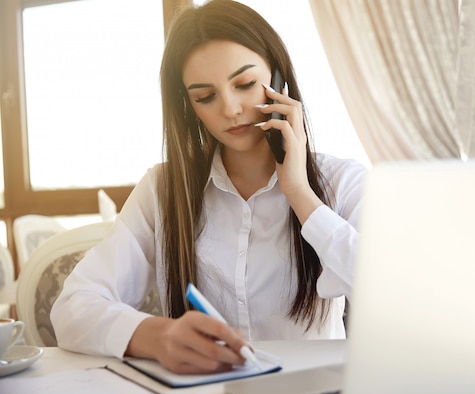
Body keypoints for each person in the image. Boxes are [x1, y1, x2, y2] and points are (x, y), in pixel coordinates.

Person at [51, 0, 367, 374]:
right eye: (205, 96)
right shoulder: (164, 190)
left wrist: (300, 194)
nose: (230, 108)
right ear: (190, 106)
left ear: (279, 79)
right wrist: (155, 336)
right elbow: (74, 305)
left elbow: (396, 296)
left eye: (245, 84)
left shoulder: (343, 182)